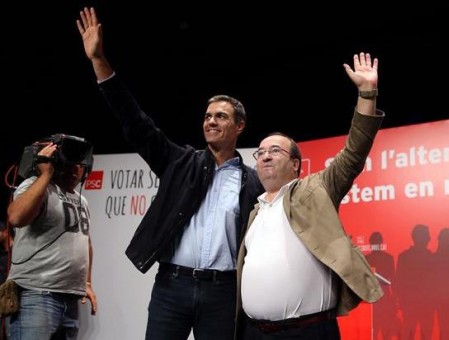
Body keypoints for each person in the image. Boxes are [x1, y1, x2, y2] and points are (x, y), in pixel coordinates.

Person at [77, 7, 264, 340]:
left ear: (239, 126)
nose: (210, 121)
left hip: (223, 292)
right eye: (207, 116)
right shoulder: (180, 162)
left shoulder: (254, 182)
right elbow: (136, 123)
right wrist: (99, 62)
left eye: (221, 116)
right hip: (172, 287)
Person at [237, 52, 384, 339]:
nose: (265, 156)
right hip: (255, 333)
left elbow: (355, 152)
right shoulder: (255, 211)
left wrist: (367, 92)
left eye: (275, 151)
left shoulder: (316, 189)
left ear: (295, 164)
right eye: (261, 152)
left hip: (308, 332)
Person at [5, 135, 97, 339]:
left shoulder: (81, 200)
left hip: (69, 300)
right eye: (71, 165)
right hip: (35, 295)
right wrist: (45, 174)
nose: (76, 170)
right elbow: (16, 217)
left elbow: (85, 241)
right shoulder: (35, 186)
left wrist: (87, 283)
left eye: (80, 166)